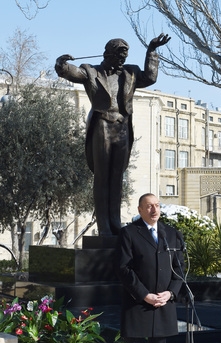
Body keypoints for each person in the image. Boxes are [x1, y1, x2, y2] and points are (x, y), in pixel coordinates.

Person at [55, 35, 170, 236]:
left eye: (124, 57)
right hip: (101, 125)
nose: (121, 61)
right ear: (108, 53)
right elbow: (71, 73)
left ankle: (115, 223)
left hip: (123, 127)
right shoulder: (91, 71)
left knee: (117, 177)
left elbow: (151, 77)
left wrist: (152, 50)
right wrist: (61, 64)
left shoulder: (131, 72)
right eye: (118, 57)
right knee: (102, 177)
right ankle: (104, 227)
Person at [115, 193, 185, 343]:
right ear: (140, 209)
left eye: (157, 205)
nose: (154, 210)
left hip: (163, 304)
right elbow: (124, 269)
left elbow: (179, 270)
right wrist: (144, 294)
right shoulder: (129, 233)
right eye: (149, 206)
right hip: (138, 304)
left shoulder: (171, 234)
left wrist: (171, 293)